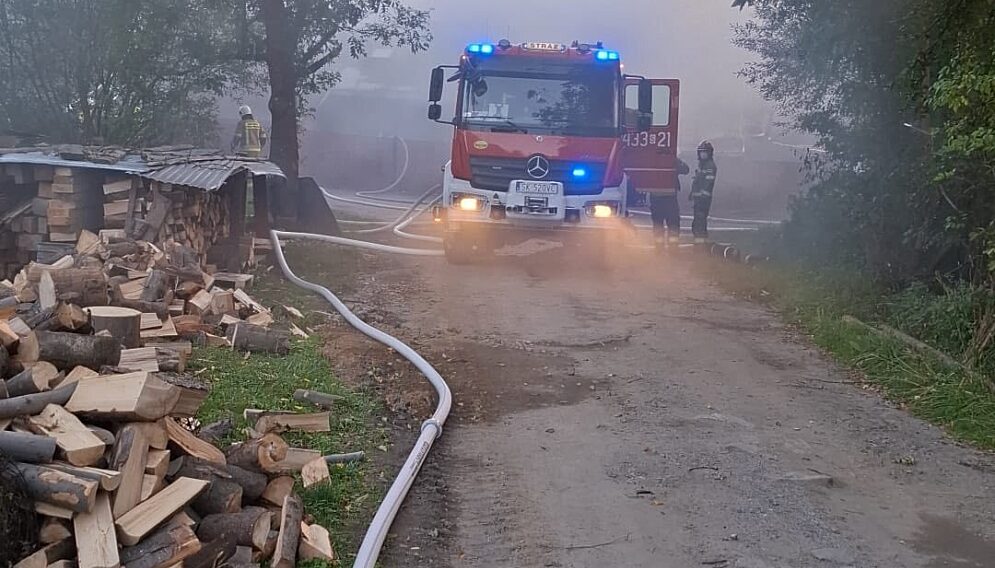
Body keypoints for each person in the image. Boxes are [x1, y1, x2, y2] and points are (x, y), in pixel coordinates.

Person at [649, 157, 690, 249]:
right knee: (672, 223)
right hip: (669, 198)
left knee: (659, 224)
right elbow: (685, 169)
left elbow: (685, 170)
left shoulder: (651, 159)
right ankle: (672, 248)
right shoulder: (673, 160)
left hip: (657, 197)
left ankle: (660, 248)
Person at [689, 140, 718, 243]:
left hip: (703, 200)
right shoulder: (702, 165)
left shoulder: (710, 166)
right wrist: (692, 193)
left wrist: (701, 195)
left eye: (705, 152)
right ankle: (700, 242)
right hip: (699, 199)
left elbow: (708, 183)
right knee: (698, 222)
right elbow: (698, 181)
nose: (703, 154)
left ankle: (700, 245)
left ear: (709, 153)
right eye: (701, 152)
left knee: (700, 222)